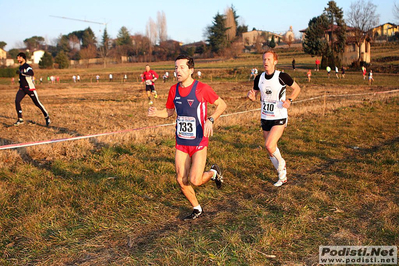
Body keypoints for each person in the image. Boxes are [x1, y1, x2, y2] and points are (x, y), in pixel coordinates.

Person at [148, 54, 227, 220]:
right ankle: (197, 208)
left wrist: (211, 120)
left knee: (195, 180)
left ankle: (213, 173)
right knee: (181, 179)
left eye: (182, 67)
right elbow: (169, 112)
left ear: (191, 70)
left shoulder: (202, 88)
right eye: (176, 67)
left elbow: (222, 105)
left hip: (199, 141)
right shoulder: (173, 90)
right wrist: (156, 114)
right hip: (181, 142)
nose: (178, 70)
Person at [247, 50, 301, 187]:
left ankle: (282, 162)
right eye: (264, 59)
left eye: (269, 59)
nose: (266, 62)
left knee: (269, 145)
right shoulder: (259, 78)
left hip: (279, 116)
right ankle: (282, 176)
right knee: (271, 149)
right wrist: (251, 97)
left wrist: (289, 100)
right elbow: (255, 94)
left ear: (275, 62)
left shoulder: (282, 76)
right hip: (265, 116)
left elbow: (297, 89)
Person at [14, 52, 51, 126]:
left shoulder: (27, 66)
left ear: (23, 58)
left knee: (37, 103)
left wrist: (22, 74)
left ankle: (46, 116)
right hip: (22, 89)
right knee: (17, 101)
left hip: (30, 88)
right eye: (17, 57)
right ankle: (20, 119)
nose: (18, 59)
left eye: (19, 57)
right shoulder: (20, 67)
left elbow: (31, 73)